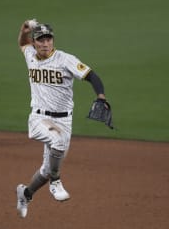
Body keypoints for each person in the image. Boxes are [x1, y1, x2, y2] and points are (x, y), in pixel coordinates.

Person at [16, 19, 110, 218]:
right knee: (57, 146)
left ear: (52, 40)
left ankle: (25, 193)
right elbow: (22, 44)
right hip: (38, 118)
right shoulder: (30, 55)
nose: (45, 43)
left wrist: (100, 96)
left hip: (64, 122)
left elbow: (91, 75)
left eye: (48, 39)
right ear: (35, 42)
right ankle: (56, 181)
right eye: (40, 40)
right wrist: (23, 31)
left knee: (46, 169)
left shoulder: (65, 59)